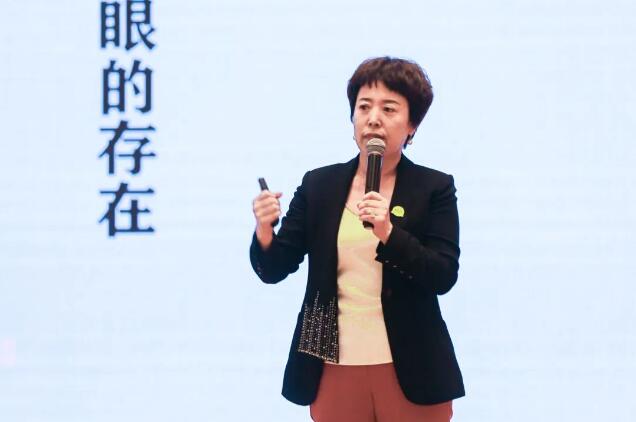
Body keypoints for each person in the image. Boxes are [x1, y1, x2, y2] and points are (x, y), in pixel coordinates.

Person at [250, 56, 464, 422]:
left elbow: (442, 275)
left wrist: (388, 233)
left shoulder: (434, 187)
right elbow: (274, 268)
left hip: (412, 362)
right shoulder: (319, 185)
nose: (373, 118)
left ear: (412, 125)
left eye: (389, 109)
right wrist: (265, 229)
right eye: (364, 107)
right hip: (331, 361)